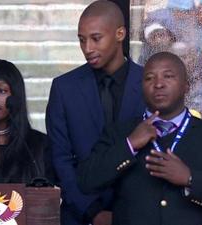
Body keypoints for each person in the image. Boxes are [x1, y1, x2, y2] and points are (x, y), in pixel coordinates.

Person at [77, 52, 202, 225]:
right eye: (149, 78)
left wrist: (190, 178)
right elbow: (86, 181)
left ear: (186, 86)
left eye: (168, 76)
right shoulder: (119, 132)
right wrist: (129, 145)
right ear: (141, 87)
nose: (158, 84)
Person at [45, 1, 146, 224]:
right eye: (82, 40)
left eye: (96, 38)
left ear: (120, 33)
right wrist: (92, 212)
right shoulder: (64, 88)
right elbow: (60, 160)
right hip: (80, 215)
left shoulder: (150, 83)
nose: (87, 48)